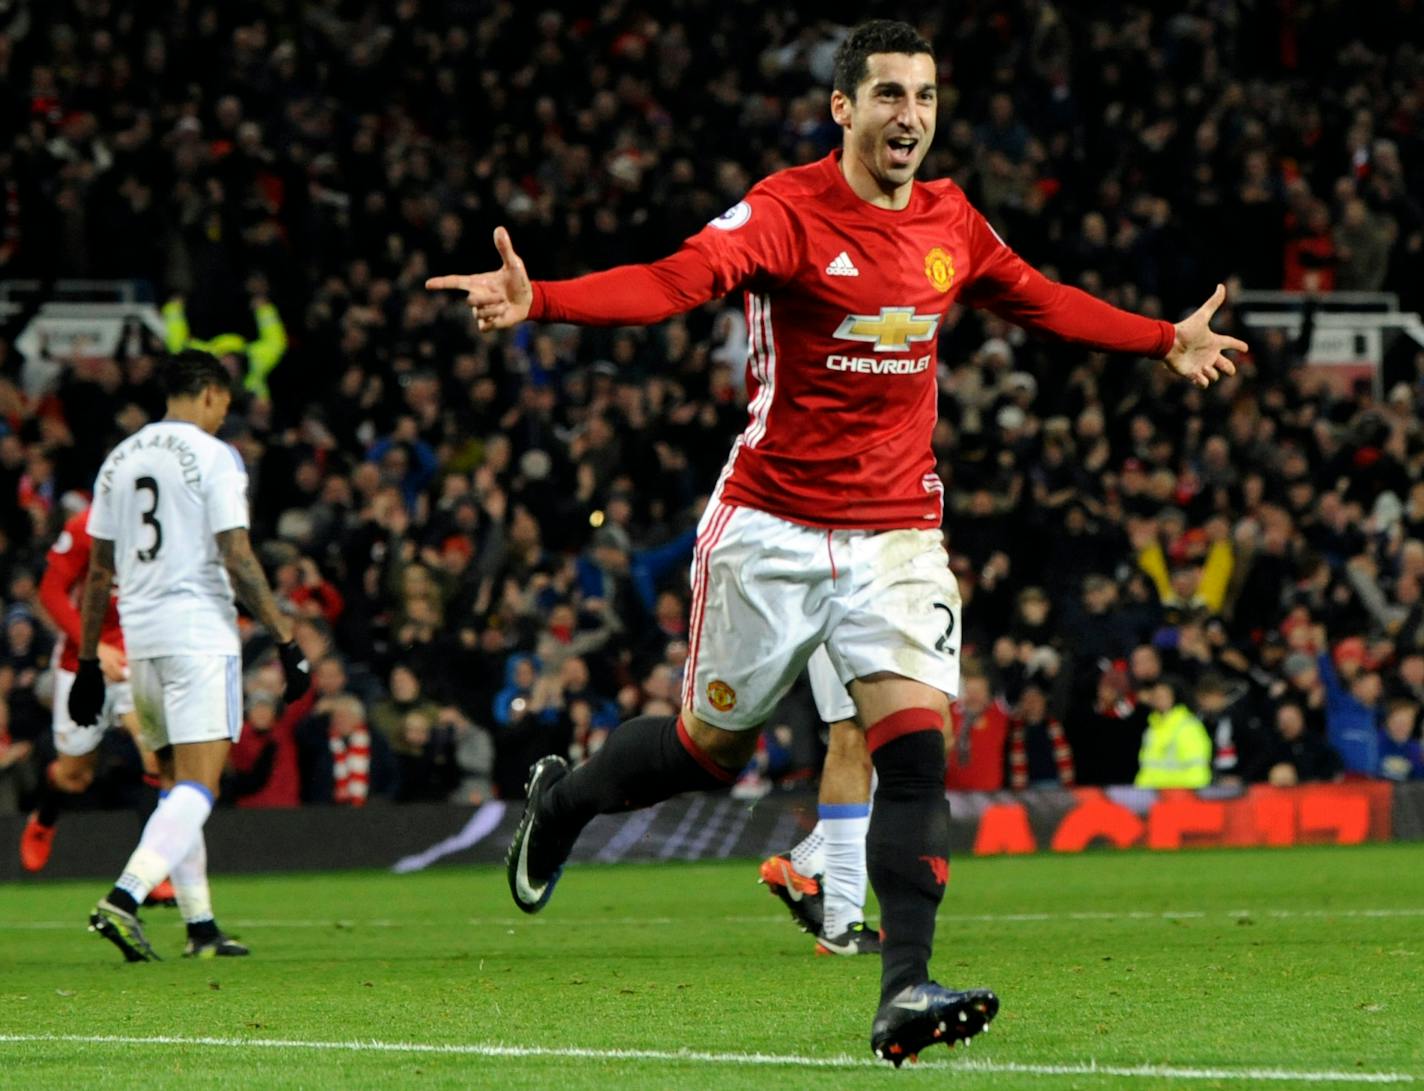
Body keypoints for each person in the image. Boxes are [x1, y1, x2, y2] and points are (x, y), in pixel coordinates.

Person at [429, 19, 1242, 1061]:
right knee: (706, 748)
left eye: (926, 96)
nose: (910, 116)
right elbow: (675, 280)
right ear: (843, 108)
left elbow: (1038, 298)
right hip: (767, 527)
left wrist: (1161, 337)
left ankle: (902, 987)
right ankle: (568, 797)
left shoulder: (952, 221)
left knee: (913, 750)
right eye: (890, 95)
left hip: (894, 532)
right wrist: (541, 298)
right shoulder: (786, 211)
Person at [71, 350, 310, 961]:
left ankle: (200, 927)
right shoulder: (214, 456)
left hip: (141, 637)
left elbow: (97, 574)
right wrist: (285, 638)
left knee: (176, 785)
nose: (223, 417)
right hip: (199, 634)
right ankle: (124, 899)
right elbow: (236, 554)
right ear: (208, 394)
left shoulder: (118, 460)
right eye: (225, 405)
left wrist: (89, 661)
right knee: (200, 789)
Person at [19, 500, 175, 911]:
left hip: (139, 654)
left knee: (158, 762)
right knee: (75, 777)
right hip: (83, 660)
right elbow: (51, 592)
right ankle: (46, 815)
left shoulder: (167, 522)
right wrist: (93, 646)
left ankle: (152, 871)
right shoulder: (87, 525)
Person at [758, 648, 879, 958]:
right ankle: (842, 922)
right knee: (854, 734)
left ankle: (806, 861)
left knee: (905, 740)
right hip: (853, 611)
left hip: (901, 608)